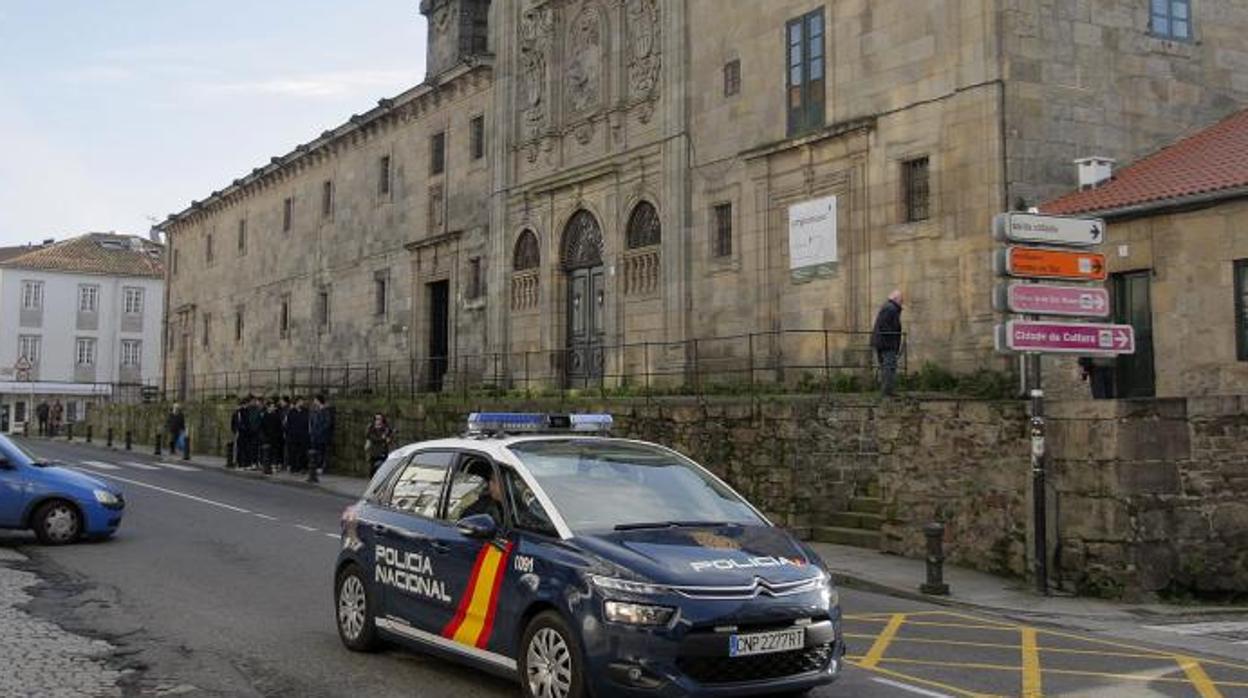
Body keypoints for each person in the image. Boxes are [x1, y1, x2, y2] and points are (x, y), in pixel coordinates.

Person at [870, 289, 904, 398]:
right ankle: (887, 392)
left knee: (887, 367)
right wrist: (892, 339)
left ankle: (887, 391)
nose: (902, 302)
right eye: (901, 299)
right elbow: (884, 326)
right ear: (895, 299)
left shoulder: (889, 308)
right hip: (886, 344)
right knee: (889, 366)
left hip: (883, 342)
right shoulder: (890, 309)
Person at [307, 394, 335, 483]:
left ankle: (321, 466)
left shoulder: (326, 411)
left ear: (319, 400)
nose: (314, 402)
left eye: (315, 400)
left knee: (322, 451)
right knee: (315, 451)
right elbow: (312, 421)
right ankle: (315, 466)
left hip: (322, 435)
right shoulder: (315, 410)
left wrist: (320, 430)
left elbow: (327, 423)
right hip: (315, 434)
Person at [285, 396, 310, 474]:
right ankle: (294, 467)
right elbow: (288, 424)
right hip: (293, 436)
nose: (302, 403)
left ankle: (302, 467)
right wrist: (288, 434)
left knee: (303, 453)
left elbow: (308, 423)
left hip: (303, 436)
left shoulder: (306, 411)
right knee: (293, 453)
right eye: (301, 401)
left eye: (302, 401)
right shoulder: (291, 412)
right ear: (296, 402)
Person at [260, 399, 284, 475]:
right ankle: (267, 466)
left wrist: (279, 436)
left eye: (274, 406)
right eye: (272, 406)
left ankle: (274, 465)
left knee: (275, 452)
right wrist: (264, 437)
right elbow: (262, 427)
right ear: (268, 407)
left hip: (275, 437)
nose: (274, 408)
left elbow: (279, 427)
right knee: (267, 453)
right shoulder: (265, 416)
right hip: (267, 437)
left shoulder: (276, 416)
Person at [229, 397, 250, 469]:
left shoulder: (246, 412)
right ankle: (237, 462)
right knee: (237, 448)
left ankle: (243, 463)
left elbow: (247, 423)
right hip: (237, 433)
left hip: (244, 433)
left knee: (244, 448)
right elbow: (233, 423)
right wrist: (235, 431)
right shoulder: (236, 413)